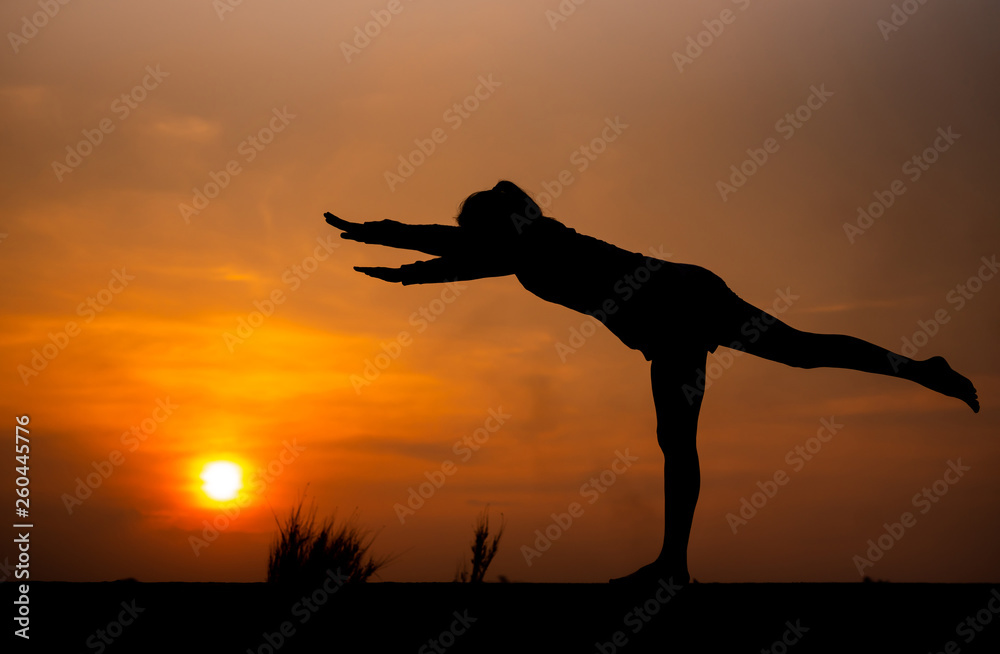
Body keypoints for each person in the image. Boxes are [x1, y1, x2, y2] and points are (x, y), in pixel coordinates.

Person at [325, 180, 980, 586]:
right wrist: (406, 274)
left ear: (503, 226)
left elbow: (449, 246)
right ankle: (673, 565)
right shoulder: (523, 255)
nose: (474, 241)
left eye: (480, 231)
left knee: (793, 358)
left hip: (678, 300)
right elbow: (464, 264)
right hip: (675, 307)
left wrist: (378, 234)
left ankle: (672, 566)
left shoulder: (538, 242)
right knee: (700, 424)